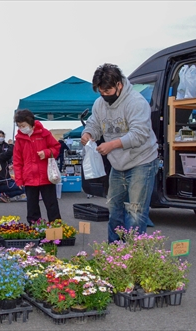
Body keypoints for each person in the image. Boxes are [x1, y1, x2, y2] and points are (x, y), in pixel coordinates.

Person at [81, 63, 159, 243]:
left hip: (142, 161)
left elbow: (139, 134)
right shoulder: (99, 103)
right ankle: (114, 252)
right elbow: (94, 123)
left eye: (107, 91)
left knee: (135, 212)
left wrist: (112, 145)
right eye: (100, 91)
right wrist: (88, 133)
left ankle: (133, 256)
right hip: (118, 164)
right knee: (114, 209)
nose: (104, 95)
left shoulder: (136, 102)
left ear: (119, 85)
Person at [13, 109, 62, 225]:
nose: (22, 128)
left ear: (30, 122)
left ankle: (57, 229)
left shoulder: (44, 133)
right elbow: (17, 160)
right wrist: (19, 179)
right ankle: (35, 230)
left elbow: (56, 148)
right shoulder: (19, 139)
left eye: (23, 125)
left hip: (46, 176)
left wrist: (45, 153)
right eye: (19, 126)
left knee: (51, 205)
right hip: (29, 177)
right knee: (32, 207)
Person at [0, 130, 25, 202]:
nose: (1, 138)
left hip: (2, 182)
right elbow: (8, 153)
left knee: (17, 187)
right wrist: (11, 144)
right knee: (23, 188)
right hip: (2, 182)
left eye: (2, 136)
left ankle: (2, 194)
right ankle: (2, 194)